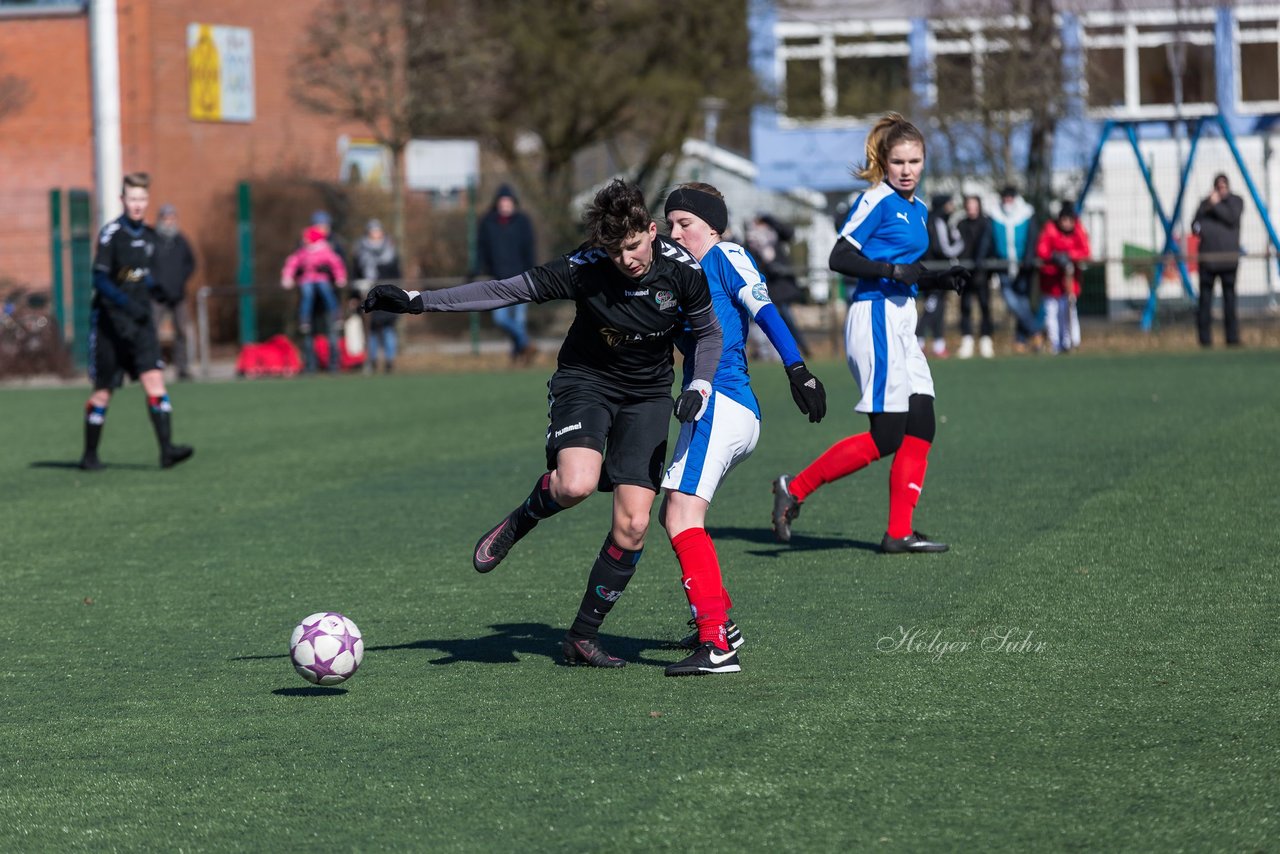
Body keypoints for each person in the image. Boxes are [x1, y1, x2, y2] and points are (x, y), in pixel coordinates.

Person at [361, 178, 723, 668]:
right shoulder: (585, 266)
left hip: (649, 395)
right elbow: (503, 290)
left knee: (635, 524)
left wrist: (699, 386)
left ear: (652, 231)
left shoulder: (683, 271)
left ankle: (581, 637)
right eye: (616, 251)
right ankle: (520, 520)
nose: (628, 260)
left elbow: (707, 332)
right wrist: (418, 300)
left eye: (635, 247)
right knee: (575, 485)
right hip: (586, 381)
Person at [770, 113, 969, 554]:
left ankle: (899, 532)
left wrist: (938, 278)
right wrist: (890, 270)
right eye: (898, 161)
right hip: (875, 319)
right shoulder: (876, 199)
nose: (906, 169)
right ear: (884, 161)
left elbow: (904, 271)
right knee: (887, 436)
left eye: (914, 160)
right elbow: (840, 256)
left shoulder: (918, 210)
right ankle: (794, 487)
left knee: (921, 425)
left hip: (901, 321)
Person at [658, 182, 827, 676]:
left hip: (724, 403)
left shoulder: (726, 254)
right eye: (670, 224)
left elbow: (764, 309)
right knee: (680, 514)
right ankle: (719, 623)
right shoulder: (679, 272)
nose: (676, 232)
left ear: (713, 226)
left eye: (685, 223)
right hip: (713, 407)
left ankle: (716, 644)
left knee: (682, 518)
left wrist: (798, 368)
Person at [78, 172, 194, 471]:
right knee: (104, 391)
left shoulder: (150, 236)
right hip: (111, 325)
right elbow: (102, 278)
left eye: (142, 199)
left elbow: (130, 272)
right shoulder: (111, 234)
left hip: (141, 323)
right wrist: (125, 301)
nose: (137, 205)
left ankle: (166, 450)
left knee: (154, 380)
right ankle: (89, 455)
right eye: (132, 199)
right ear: (122, 200)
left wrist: (153, 286)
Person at [475, 184, 538, 363]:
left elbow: (529, 249)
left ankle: (517, 355)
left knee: (519, 320)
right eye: (502, 201)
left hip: (522, 278)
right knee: (501, 319)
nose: (505, 205)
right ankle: (527, 344)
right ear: (497, 203)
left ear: (513, 203)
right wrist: (477, 269)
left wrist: (532, 272)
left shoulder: (523, 222)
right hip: (498, 279)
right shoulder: (488, 222)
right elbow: (481, 249)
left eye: (508, 201)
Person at [281, 225, 348, 373]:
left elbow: (336, 264)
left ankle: (335, 313)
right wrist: (288, 277)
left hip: (323, 293)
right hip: (308, 289)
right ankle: (310, 363)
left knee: (324, 289)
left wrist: (339, 277)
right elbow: (292, 263)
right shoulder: (302, 251)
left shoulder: (326, 250)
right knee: (307, 292)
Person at [744, 213, 811, 358]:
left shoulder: (774, 236)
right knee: (771, 320)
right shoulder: (752, 241)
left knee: (786, 319)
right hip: (766, 286)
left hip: (780, 287)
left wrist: (769, 218)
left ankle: (799, 348)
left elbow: (788, 233)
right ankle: (779, 351)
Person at [989, 185, 1043, 353]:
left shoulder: (1027, 214)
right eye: (1005, 197)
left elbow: (1033, 238)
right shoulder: (994, 215)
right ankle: (1035, 331)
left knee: (1023, 302)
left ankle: (1021, 340)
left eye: (1010, 197)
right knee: (1012, 301)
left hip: (1023, 267)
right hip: (1003, 266)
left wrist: (1027, 259)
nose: (1008, 201)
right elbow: (989, 239)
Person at [1192, 173, 1244, 347]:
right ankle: (1205, 340)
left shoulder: (1235, 202)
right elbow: (1195, 226)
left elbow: (1231, 218)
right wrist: (1207, 205)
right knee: (1205, 302)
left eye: (1223, 187)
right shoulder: (1205, 205)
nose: (1220, 190)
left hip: (1228, 261)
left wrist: (1215, 205)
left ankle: (1232, 339)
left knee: (1229, 301)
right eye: (1218, 187)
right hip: (1208, 261)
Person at [1035, 201, 1091, 355]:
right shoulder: (1050, 228)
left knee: (1069, 311)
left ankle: (1071, 342)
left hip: (1069, 281)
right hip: (1051, 280)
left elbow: (1085, 251)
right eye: (1063, 220)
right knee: (1052, 313)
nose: (1066, 223)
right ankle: (1055, 345)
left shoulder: (1078, 229)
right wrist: (1054, 257)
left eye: (1069, 220)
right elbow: (1042, 250)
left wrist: (1069, 255)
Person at [150, 203, 197, 380]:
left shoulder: (181, 241)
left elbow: (191, 263)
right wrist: (153, 283)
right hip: (157, 295)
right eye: (166, 218)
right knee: (151, 331)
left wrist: (180, 280)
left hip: (178, 294)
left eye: (172, 218)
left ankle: (182, 368)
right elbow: (141, 268)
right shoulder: (152, 241)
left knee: (182, 331)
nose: (169, 222)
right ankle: (152, 368)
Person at [353, 219, 402, 373]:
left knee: (388, 329)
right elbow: (355, 275)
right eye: (372, 231)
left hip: (388, 296)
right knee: (371, 330)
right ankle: (371, 360)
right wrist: (354, 294)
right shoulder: (360, 252)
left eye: (377, 230)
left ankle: (389, 361)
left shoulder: (391, 252)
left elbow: (397, 275)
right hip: (368, 296)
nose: (375, 234)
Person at [917, 194, 963, 359]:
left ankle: (938, 344)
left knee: (939, 307)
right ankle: (919, 342)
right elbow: (943, 249)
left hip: (936, 271)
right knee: (931, 307)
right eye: (949, 203)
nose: (952, 206)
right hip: (934, 272)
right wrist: (960, 243)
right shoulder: (937, 221)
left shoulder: (935, 220)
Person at [955, 195, 995, 359]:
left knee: (985, 306)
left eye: (974, 205)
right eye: (969, 205)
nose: (971, 208)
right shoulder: (961, 224)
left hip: (982, 274)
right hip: (965, 273)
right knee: (965, 307)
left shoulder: (987, 223)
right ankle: (967, 340)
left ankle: (986, 340)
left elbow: (990, 247)